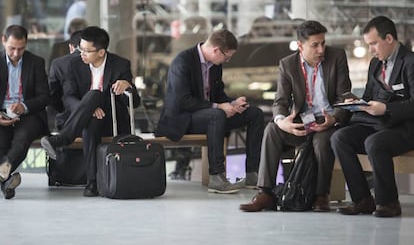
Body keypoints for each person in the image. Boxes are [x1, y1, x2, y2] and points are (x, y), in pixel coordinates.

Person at [239, 20, 352, 212]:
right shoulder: (287, 64)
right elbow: (280, 102)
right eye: (314, 45)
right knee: (272, 130)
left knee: (321, 142)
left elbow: (344, 96)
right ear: (300, 46)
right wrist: (282, 121)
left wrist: (333, 118)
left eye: (323, 43)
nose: (321, 49)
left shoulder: (337, 56)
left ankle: (321, 195)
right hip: (301, 121)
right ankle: (265, 192)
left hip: (329, 121)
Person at [155, 29, 264, 194]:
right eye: (227, 56)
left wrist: (232, 103)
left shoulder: (215, 65)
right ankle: (217, 177)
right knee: (217, 115)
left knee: (255, 113)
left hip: (210, 115)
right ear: (215, 50)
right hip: (182, 118)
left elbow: (218, 95)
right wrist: (219, 107)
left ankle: (252, 174)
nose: (227, 60)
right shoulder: (182, 61)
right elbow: (183, 100)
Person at [41, 26, 140, 197]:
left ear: (101, 52)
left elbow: (135, 102)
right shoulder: (74, 64)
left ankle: (64, 140)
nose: (82, 54)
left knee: (94, 96)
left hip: (112, 119)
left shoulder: (120, 64)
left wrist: (127, 87)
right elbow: (68, 98)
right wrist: (89, 109)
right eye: (81, 49)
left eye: (87, 51)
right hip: (83, 118)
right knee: (91, 114)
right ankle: (92, 182)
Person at [331, 16, 414, 218]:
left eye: (374, 44)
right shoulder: (375, 65)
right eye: (368, 45)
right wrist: (357, 104)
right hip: (378, 123)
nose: (371, 50)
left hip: (405, 128)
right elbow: (369, 97)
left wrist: (386, 109)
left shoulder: (411, 62)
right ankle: (362, 200)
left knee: (374, 143)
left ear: (389, 39)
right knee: (339, 138)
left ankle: (389, 203)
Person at [0, 25, 49, 199]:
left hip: (29, 114)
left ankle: (3, 173)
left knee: (22, 139)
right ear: (3, 40)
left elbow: (45, 97)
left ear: (26, 44)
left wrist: (25, 106)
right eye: (12, 48)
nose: (15, 53)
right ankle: (6, 183)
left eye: (20, 49)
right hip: (2, 114)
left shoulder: (36, 62)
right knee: (2, 143)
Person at [48, 30, 82, 131]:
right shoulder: (99, 61)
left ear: (71, 47)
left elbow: (53, 95)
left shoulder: (59, 63)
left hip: (67, 118)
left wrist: (63, 109)